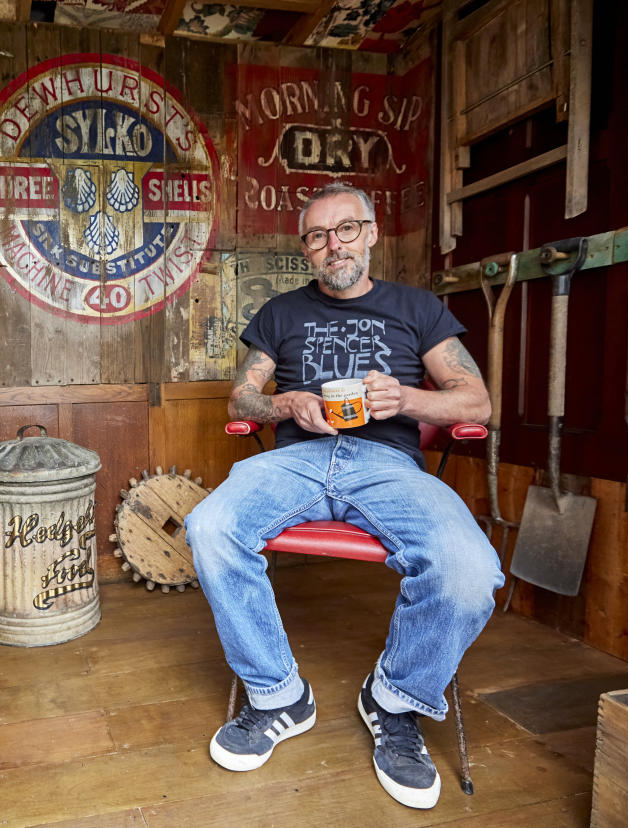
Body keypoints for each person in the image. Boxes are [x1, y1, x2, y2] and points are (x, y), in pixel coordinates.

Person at [184, 182, 505, 810]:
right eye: (317, 235)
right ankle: (278, 696)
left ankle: (393, 700)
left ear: (372, 233)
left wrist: (407, 399)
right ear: (306, 248)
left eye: (346, 229)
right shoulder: (279, 313)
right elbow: (240, 399)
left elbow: (477, 402)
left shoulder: (419, 310)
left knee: (470, 569)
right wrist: (285, 402)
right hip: (296, 459)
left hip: (389, 464)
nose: (333, 245)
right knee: (211, 525)